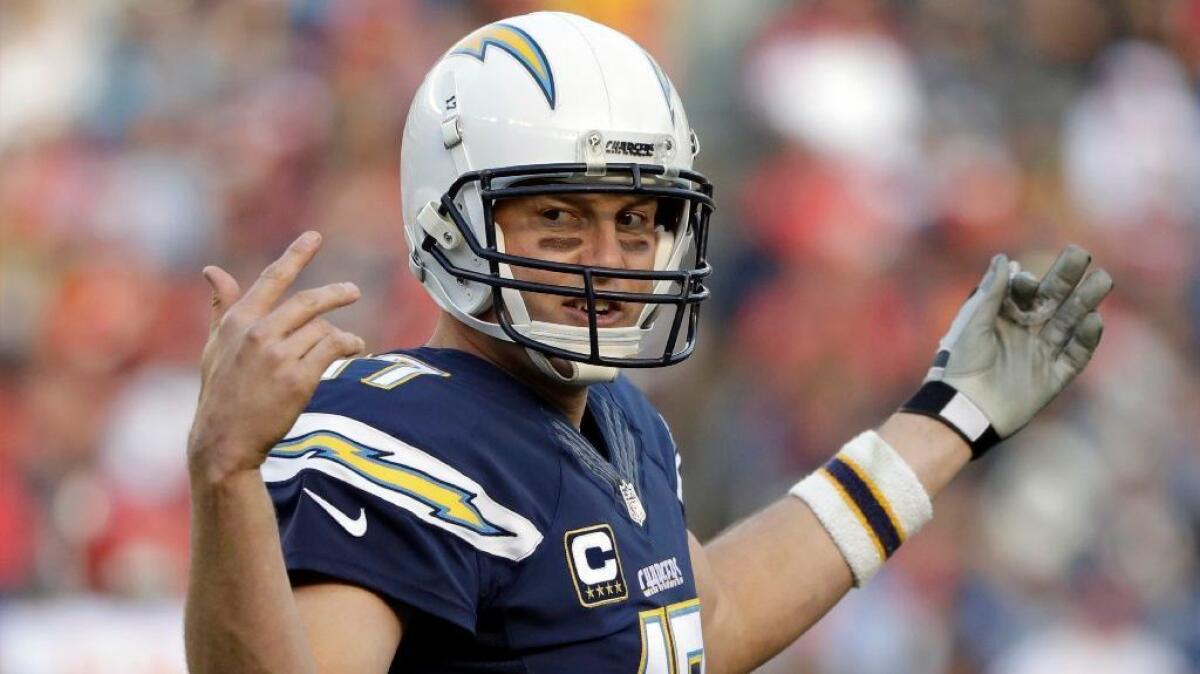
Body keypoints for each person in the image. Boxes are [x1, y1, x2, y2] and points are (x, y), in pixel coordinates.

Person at [183, 12, 1112, 674]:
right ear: (449, 221)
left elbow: (711, 616)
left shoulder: (621, 420)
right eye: (557, 215)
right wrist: (226, 473)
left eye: (637, 217)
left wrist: (951, 415)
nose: (610, 257)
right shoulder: (394, 436)